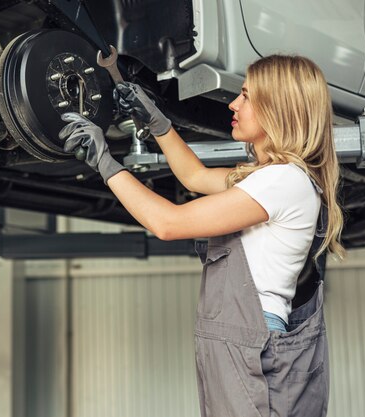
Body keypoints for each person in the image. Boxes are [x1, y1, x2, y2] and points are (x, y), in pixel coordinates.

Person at [58, 55, 345, 417]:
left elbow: (168, 224)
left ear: (278, 109)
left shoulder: (283, 181)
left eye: (245, 95)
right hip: (240, 339)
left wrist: (104, 162)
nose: (233, 104)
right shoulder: (273, 178)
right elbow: (194, 177)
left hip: (250, 342)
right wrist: (160, 126)